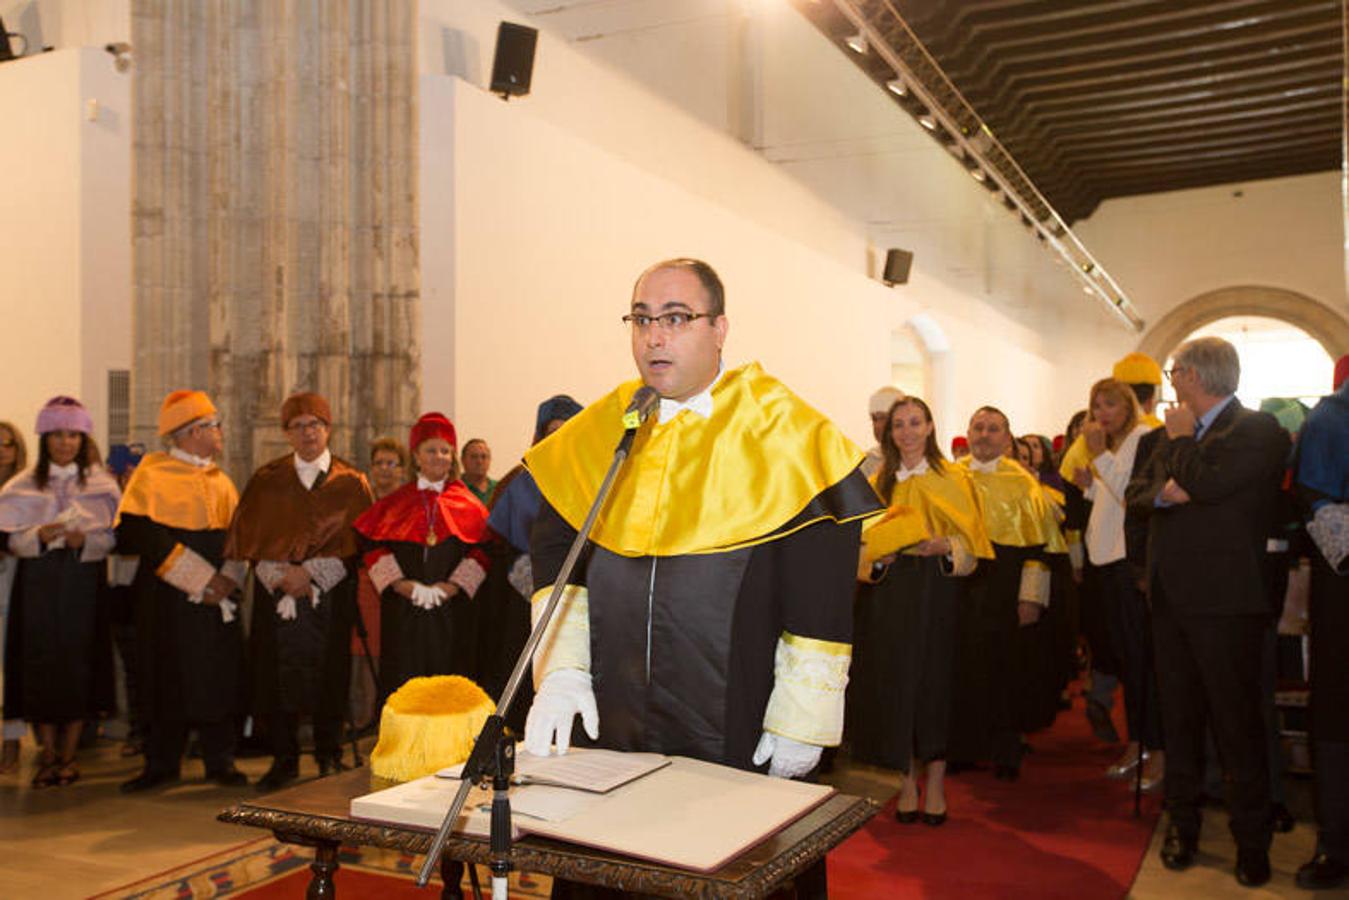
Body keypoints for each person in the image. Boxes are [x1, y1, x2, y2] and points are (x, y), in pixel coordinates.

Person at [522, 257, 881, 899]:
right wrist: (564, 669)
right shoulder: (603, 431)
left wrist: (803, 715)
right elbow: (559, 556)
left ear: (719, 329)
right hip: (615, 719)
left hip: (737, 720)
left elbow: (822, 584)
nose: (654, 336)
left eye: (676, 318)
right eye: (641, 319)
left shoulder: (785, 432)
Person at [1126, 337, 1290, 887]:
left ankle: (1251, 840)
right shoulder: (1164, 436)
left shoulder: (1257, 430)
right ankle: (1183, 826)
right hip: (1171, 601)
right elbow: (1138, 494)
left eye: (1176, 371)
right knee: (1181, 721)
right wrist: (1173, 485)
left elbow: (1212, 483)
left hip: (1227, 603)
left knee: (1236, 724)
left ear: (1195, 375)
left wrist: (1180, 452)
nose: (1172, 380)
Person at [850, 396, 992, 826]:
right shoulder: (878, 481)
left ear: (931, 427)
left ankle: (935, 782)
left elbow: (975, 545)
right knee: (897, 685)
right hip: (892, 595)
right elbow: (861, 546)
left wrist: (944, 546)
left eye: (915, 423)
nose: (907, 432)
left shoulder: (954, 477)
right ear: (889, 433)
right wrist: (878, 560)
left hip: (937, 591)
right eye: (899, 425)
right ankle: (906, 780)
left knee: (935, 683)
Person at [225, 392, 373, 791]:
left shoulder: (352, 482)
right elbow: (250, 540)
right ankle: (283, 758)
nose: (308, 432)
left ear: (328, 429)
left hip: (330, 595)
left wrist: (312, 575)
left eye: (315, 424)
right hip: (277, 597)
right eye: (298, 425)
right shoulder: (266, 480)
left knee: (331, 673)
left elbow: (359, 544)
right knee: (275, 674)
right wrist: (282, 576)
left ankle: (329, 752)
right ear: (287, 433)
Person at [116, 390, 249, 792]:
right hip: (167, 600)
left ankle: (219, 760)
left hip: (216, 600)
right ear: (192, 432)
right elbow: (139, 533)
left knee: (217, 675)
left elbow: (240, 538)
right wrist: (200, 580)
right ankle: (161, 763)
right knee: (165, 674)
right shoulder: (151, 474)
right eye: (213, 425)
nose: (220, 432)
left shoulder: (222, 480)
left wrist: (227, 579)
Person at [0, 398, 120, 787]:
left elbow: (114, 537)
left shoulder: (101, 483)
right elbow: (9, 539)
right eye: (57, 435)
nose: (65, 443)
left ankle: (68, 757)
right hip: (36, 582)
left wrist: (82, 541)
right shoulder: (22, 485)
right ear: (44, 439)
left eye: (73, 435)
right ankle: (47, 756)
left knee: (78, 663)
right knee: (39, 664)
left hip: (82, 582)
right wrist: (40, 534)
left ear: (83, 440)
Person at [948, 406, 1066, 780]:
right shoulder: (951, 476)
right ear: (968, 432)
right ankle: (961, 748)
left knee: (1006, 667)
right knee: (960, 665)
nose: (984, 435)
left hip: (1005, 584)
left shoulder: (1022, 482)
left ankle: (1004, 748)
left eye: (993, 429)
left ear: (1006, 437)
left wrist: (1030, 598)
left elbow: (1041, 548)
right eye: (978, 427)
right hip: (958, 586)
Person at [353, 413, 489, 705]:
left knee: (448, 682)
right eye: (431, 449)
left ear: (452, 456)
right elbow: (371, 546)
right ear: (416, 456)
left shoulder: (469, 503)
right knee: (403, 683)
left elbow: (484, 551)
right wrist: (404, 586)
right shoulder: (394, 502)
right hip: (403, 611)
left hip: (450, 613)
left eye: (445, 450)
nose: (439, 456)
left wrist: (450, 588)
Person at [1072, 379, 1163, 789]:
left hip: (1126, 563)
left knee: (1139, 661)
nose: (1101, 414)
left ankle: (1150, 748)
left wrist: (1098, 456)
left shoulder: (1143, 436)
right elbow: (1112, 498)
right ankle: (1138, 741)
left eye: (1110, 405)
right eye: (1096, 407)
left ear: (1128, 406)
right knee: (1122, 659)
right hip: (1104, 558)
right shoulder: (1119, 444)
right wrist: (1091, 488)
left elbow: (1133, 494)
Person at [476, 395, 583, 725]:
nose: (559, 438)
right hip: (522, 597)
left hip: (578, 596)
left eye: (568, 430)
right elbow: (500, 543)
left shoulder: (590, 477)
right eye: (552, 431)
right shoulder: (518, 482)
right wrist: (528, 577)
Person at [1292, 354, 1349, 890]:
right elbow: (1316, 498)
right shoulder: (1332, 417)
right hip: (1346, 585)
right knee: (1337, 712)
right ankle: (1336, 843)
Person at [105, 443, 147, 759]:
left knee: (145, 668)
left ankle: (148, 732)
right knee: (131, 669)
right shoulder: (104, 503)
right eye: (124, 471)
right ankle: (136, 730)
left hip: (144, 595)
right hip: (116, 594)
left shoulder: (150, 504)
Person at [0, 420, 29, 773]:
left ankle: (12, 742)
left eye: (8, 444)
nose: (1, 451)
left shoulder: (27, 489)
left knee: (13, 669)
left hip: (14, 584)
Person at [862, 386, 905, 477]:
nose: (877, 425)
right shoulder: (865, 463)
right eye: (874, 419)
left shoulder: (923, 461)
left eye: (883, 418)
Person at [367, 437, 408, 501]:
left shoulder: (411, 503)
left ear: (402, 470)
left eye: (390, 464)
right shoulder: (362, 501)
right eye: (378, 463)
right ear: (371, 468)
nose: (384, 468)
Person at [459, 438, 497, 506]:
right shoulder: (455, 488)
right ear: (462, 460)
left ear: (490, 460)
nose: (479, 461)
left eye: (484, 457)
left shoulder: (499, 488)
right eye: (474, 457)